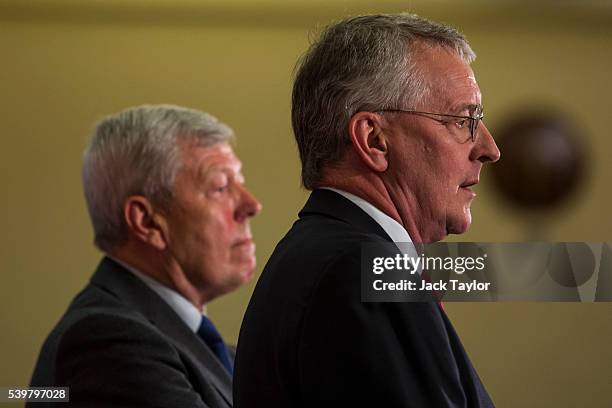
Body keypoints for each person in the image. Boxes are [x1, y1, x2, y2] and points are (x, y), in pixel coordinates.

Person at [234, 13, 500, 407]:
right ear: (373, 139)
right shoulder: (360, 271)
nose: (489, 149)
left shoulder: (325, 255)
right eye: (463, 120)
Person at [29, 104, 261, 407]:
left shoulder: (218, 354)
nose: (252, 204)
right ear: (147, 222)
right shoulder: (108, 343)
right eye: (220, 187)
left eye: (241, 182)